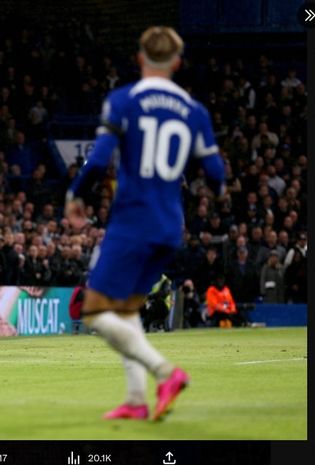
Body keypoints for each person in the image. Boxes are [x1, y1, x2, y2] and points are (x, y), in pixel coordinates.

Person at [64, 26, 225, 421]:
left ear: (139, 58)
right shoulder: (194, 110)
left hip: (132, 220)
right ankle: (136, 400)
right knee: (127, 309)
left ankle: (165, 373)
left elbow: (99, 161)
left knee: (95, 311)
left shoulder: (123, 100)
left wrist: (75, 196)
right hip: (171, 224)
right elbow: (216, 173)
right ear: (177, 62)